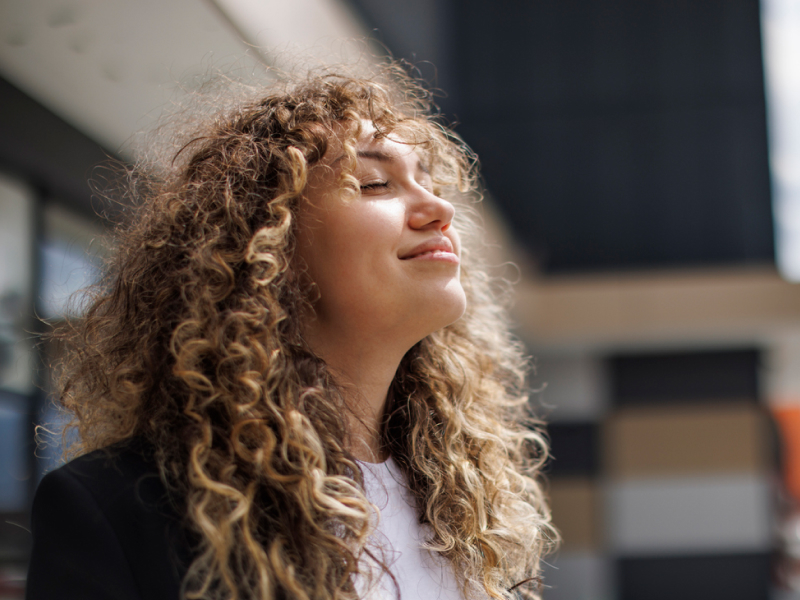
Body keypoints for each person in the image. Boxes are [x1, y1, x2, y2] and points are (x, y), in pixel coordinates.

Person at [26, 65, 555, 600]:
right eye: (374, 183)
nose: (440, 208)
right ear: (267, 246)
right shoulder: (120, 510)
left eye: (432, 183)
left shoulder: (465, 505)